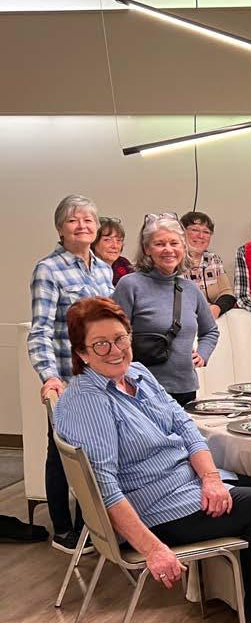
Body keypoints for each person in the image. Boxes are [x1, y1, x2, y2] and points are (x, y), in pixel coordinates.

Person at [54, 297, 251, 623]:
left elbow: (185, 426)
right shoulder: (89, 401)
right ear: (82, 353)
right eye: (100, 344)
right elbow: (104, 489)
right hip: (154, 511)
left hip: (182, 485)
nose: (115, 350)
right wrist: (153, 550)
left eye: (120, 338)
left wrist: (211, 479)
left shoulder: (138, 374)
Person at [27, 194, 113, 552]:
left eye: (88, 220)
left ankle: (88, 526)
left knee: (95, 452)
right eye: (73, 220)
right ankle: (63, 530)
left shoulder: (104, 269)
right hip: (67, 381)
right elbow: (41, 331)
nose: (82, 225)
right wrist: (49, 376)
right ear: (60, 228)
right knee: (62, 454)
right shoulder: (48, 269)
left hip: (101, 380)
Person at [113, 213, 219, 407]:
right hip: (141, 390)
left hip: (185, 389)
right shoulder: (129, 285)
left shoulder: (190, 289)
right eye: (160, 244)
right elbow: (114, 335)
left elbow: (210, 330)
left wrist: (203, 354)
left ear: (183, 248)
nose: (168, 249)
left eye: (174, 243)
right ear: (147, 249)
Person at [180, 210, 237, 319]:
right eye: (195, 230)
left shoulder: (213, 259)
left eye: (206, 232)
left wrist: (217, 308)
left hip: (211, 318)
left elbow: (228, 293)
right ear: (182, 233)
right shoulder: (172, 261)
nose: (201, 236)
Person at [93, 216, 134, 284]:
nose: (115, 246)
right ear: (94, 242)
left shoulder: (123, 263)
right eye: (107, 240)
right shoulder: (87, 267)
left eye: (119, 240)